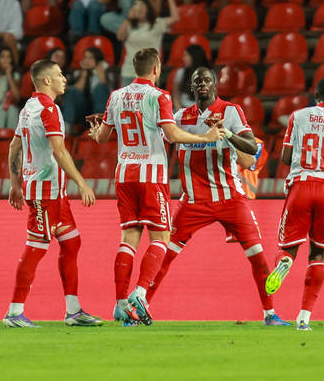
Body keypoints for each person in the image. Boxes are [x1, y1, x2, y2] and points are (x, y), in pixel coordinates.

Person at [143, 67, 288, 325]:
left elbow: (252, 147)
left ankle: (270, 313)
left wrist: (228, 133)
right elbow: (156, 137)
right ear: (192, 87)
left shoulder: (230, 111)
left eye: (207, 80)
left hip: (231, 198)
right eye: (197, 81)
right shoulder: (179, 117)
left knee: (257, 256)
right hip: (193, 201)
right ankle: (140, 307)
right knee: (165, 256)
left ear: (215, 85)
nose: (202, 84)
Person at [89, 48, 223, 325]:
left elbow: (102, 137)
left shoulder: (116, 96)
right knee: (161, 238)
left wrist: (94, 133)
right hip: (151, 175)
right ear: (156, 68)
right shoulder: (159, 96)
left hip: (124, 174)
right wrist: (207, 137)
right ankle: (139, 293)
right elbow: (172, 134)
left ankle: (119, 304)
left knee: (128, 240)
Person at [4, 59, 99, 327]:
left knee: (71, 243)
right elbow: (59, 150)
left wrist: (15, 184)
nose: (64, 78)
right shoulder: (49, 109)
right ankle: (13, 312)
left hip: (52, 193)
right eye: (59, 74)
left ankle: (73, 311)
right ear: (47, 81)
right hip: (46, 194)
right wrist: (81, 182)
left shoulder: (28, 108)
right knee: (35, 248)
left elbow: (14, 147)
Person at [264, 77, 324, 331]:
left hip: (301, 186)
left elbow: (284, 156)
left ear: (315, 94)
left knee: (289, 247)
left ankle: (284, 263)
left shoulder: (298, 116)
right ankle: (304, 317)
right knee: (317, 253)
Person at [117, 0, 179, 85]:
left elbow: (175, 18)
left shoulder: (157, 24)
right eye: (135, 5)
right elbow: (120, 36)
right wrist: (128, 19)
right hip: (129, 71)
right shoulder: (129, 25)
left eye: (141, 5)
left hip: (149, 73)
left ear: (148, 8)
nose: (138, 8)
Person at [62, 47, 111, 132]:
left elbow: (109, 93)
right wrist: (84, 72)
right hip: (83, 111)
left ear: (98, 60)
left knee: (100, 88)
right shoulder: (77, 73)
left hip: (100, 110)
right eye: (85, 57)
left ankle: (101, 125)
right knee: (71, 91)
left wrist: (101, 73)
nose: (87, 60)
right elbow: (77, 91)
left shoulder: (108, 72)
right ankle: (66, 127)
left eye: (90, 58)